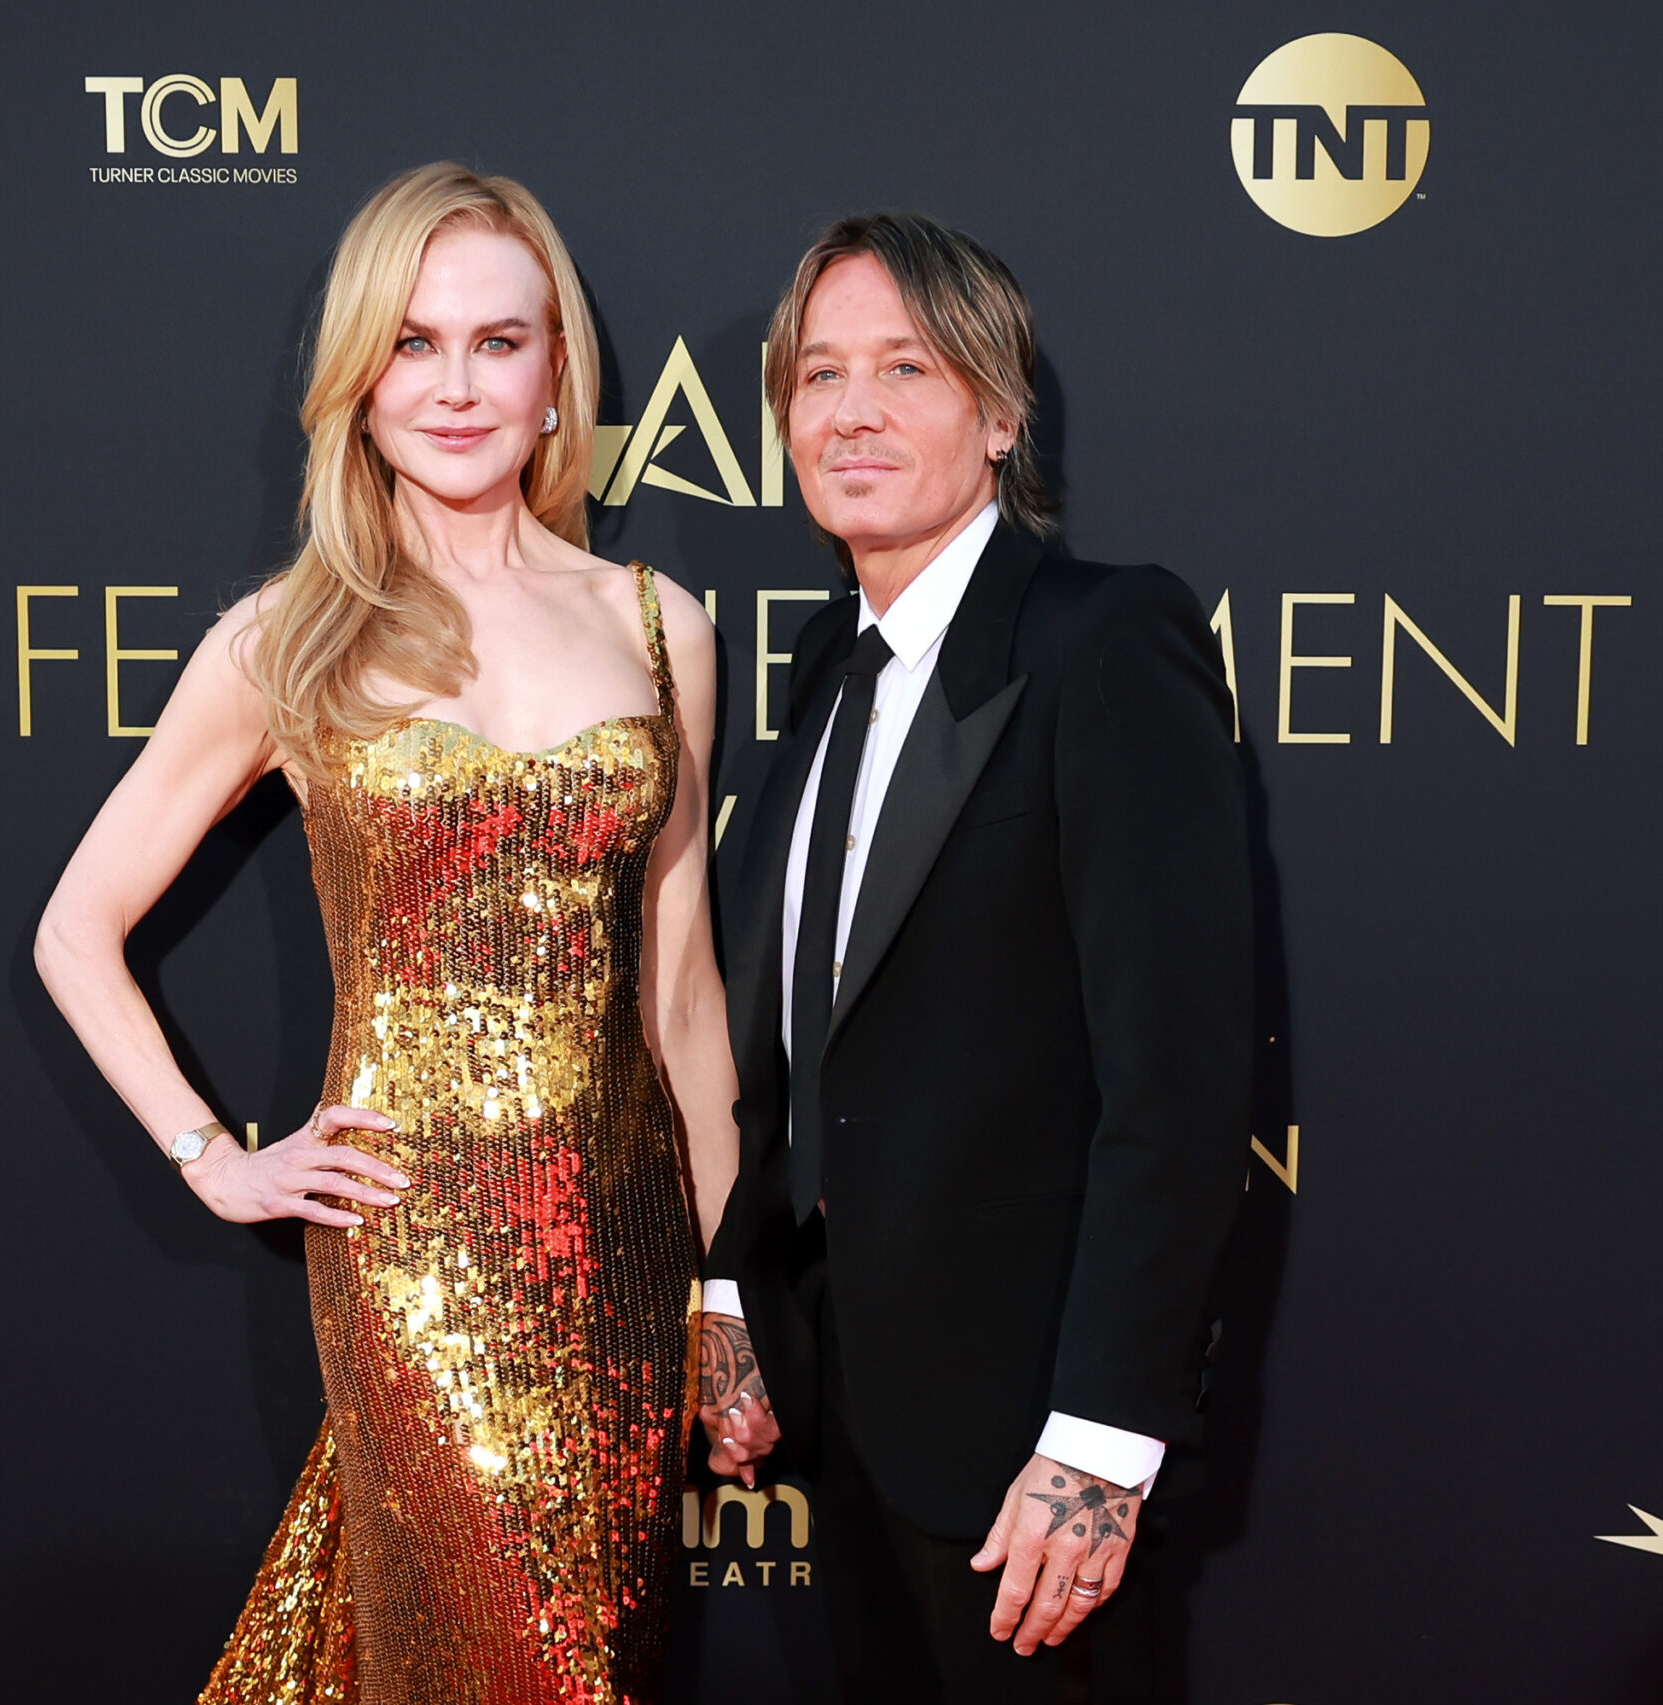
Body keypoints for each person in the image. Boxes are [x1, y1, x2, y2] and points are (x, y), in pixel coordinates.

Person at [34, 163, 736, 1705]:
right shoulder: (288, 637)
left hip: (626, 1252)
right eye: (413, 344)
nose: (457, 384)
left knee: (596, 1662)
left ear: (561, 376)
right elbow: (76, 928)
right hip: (408, 1259)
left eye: (499, 341)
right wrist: (213, 1154)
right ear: (359, 379)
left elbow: (684, 1001)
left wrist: (722, 1298)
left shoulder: (658, 624)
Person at [693, 213, 1254, 1702]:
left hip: (1028, 1447)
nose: (853, 410)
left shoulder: (1103, 643)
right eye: (819, 374)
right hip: (852, 1417)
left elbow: (1179, 1081)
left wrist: (1100, 1439)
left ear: (999, 414)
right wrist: (732, 1290)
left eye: (906, 367)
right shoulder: (823, 660)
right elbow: (789, 1036)